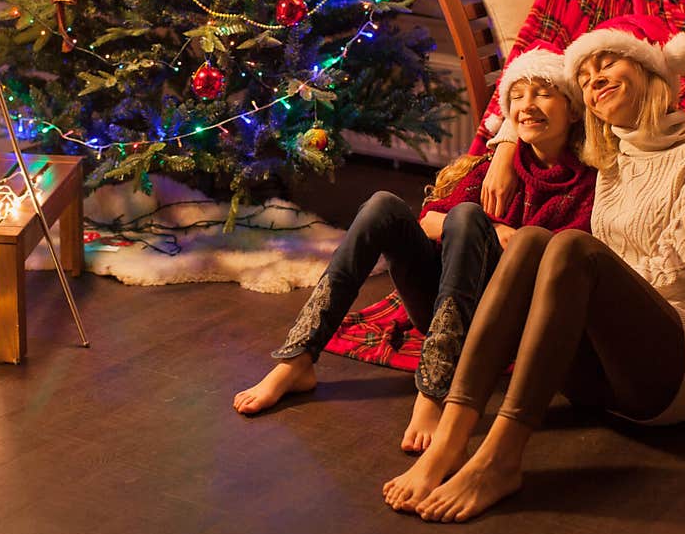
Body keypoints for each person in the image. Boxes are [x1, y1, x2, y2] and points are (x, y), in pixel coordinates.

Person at [383, 15, 685, 521]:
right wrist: (506, 147)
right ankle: (450, 439)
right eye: (585, 76)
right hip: (597, 379)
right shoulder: (610, 157)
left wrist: (596, 277)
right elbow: (533, 100)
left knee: (573, 247)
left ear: (652, 71)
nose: (593, 79)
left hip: (677, 372)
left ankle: (500, 458)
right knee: (535, 240)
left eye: (608, 62)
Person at [233, 43, 597, 453]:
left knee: (466, 217)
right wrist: (493, 228)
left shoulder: (587, 183)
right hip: (443, 307)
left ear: (572, 108)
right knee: (385, 206)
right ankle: (297, 358)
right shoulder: (496, 167)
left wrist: (504, 236)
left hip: (504, 324)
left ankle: (433, 392)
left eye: (543, 93)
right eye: (517, 95)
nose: (528, 105)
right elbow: (428, 222)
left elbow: (569, 266)